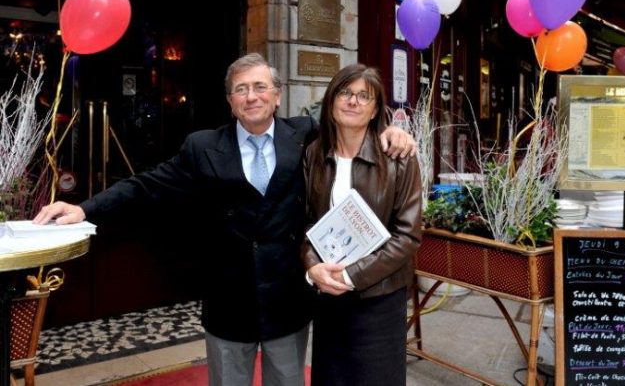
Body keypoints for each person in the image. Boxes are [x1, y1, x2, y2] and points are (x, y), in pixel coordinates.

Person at [33, 53, 415, 386]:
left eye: (261, 87)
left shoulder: (303, 138)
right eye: (241, 89)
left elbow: (352, 125)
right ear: (230, 100)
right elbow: (147, 184)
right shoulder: (202, 147)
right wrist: (86, 208)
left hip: (287, 302)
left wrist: (393, 131)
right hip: (229, 302)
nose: (252, 96)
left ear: (278, 96)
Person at [302, 64, 421, 386]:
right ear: (331, 102)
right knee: (331, 378)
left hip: (379, 298)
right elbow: (307, 223)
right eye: (345, 93)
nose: (353, 101)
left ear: (374, 110)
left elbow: (408, 235)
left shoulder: (399, 157)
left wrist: (353, 275)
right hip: (328, 293)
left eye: (363, 96)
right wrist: (314, 268)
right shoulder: (314, 155)